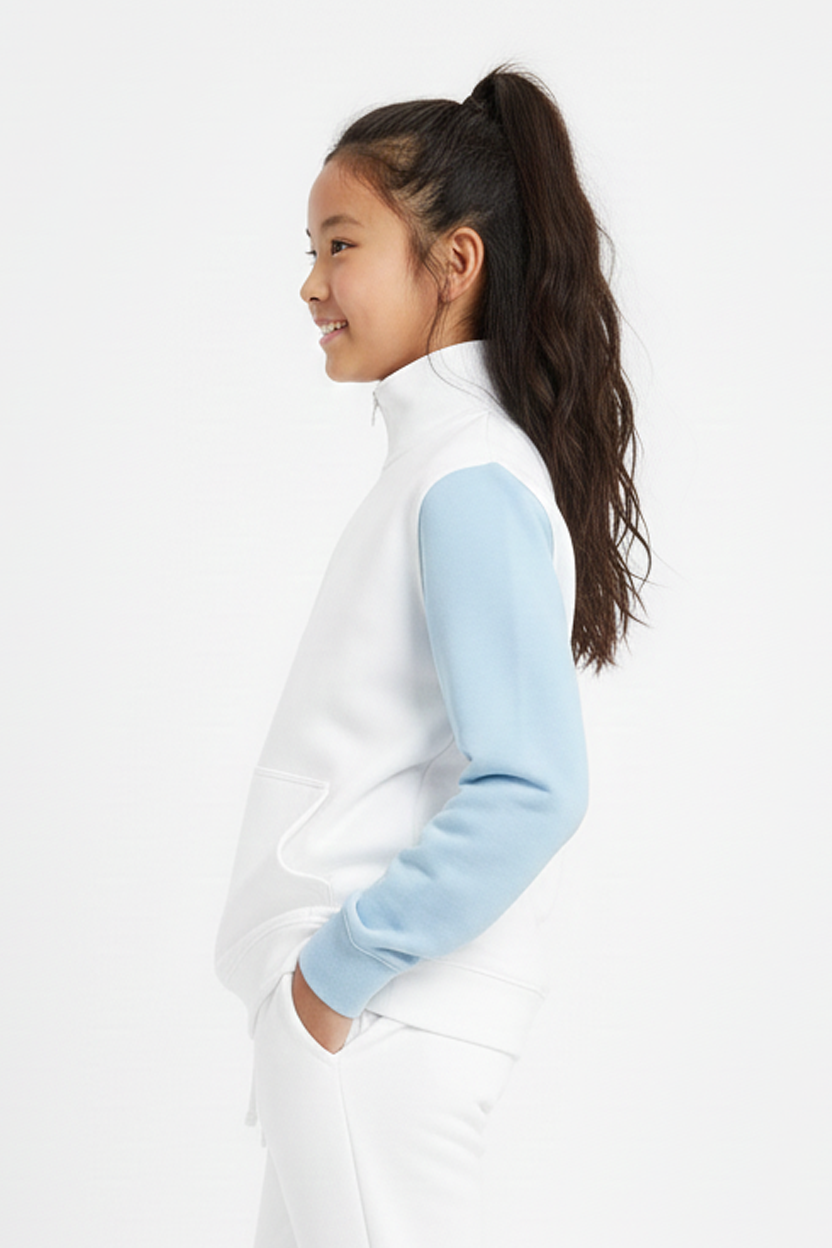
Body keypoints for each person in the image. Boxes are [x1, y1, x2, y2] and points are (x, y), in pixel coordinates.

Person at [215, 62, 650, 1248]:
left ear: (454, 263)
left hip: (379, 1025)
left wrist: (332, 979)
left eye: (340, 245)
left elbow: (534, 786)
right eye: (311, 249)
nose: (311, 284)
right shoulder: (441, 463)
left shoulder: (465, 474)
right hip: (361, 1024)